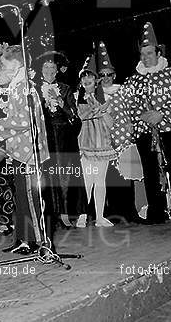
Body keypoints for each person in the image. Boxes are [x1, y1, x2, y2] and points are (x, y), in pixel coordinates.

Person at [120, 22, 171, 224]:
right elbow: (129, 102)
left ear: (157, 53)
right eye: (142, 54)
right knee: (150, 172)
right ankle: (156, 213)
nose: (146, 57)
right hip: (145, 132)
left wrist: (161, 114)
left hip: (168, 130)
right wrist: (146, 116)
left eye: (149, 53)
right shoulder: (133, 80)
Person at [0, 45, 50, 253]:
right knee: (21, 196)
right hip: (20, 152)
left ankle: (35, 241)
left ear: (15, 65)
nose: (0, 69)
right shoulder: (17, 87)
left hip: (28, 153)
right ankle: (23, 238)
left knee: (29, 198)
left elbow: (24, 121)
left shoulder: (24, 88)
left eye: (3, 65)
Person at [35, 51, 88, 228]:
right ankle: (50, 214)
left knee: (65, 174)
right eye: (46, 67)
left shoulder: (65, 88)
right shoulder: (34, 89)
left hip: (64, 137)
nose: (49, 70)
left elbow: (75, 117)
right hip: (45, 136)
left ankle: (66, 213)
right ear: (41, 70)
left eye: (52, 67)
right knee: (47, 176)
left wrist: (63, 103)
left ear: (57, 70)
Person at [96, 41, 144, 224]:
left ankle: (130, 211)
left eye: (109, 74)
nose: (106, 78)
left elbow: (134, 109)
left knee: (128, 174)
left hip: (124, 138)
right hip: (106, 141)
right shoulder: (96, 95)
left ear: (114, 75)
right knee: (110, 177)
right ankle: (113, 212)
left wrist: (133, 125)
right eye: (102, 75)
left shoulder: (123, 91)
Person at [75, 53, 116, 227]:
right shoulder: (78, 97)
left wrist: (103, 111)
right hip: (86, 143)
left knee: (100, 180)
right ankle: (83, 215)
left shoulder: (104, 98)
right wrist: (96, 110)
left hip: (102, 143)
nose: (87, 83)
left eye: (90, 80)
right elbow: (81, 115)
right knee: (87, 180)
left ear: (96, 81)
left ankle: (99, 216)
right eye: (84, 81)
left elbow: (110, 123)